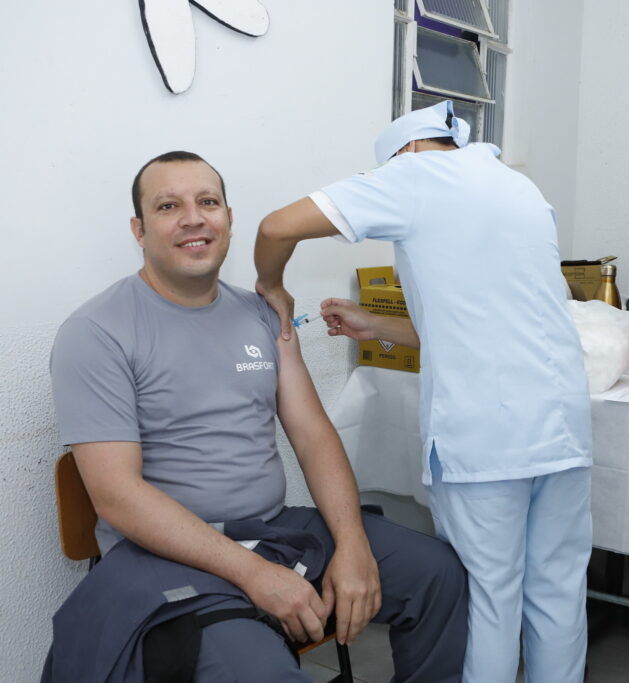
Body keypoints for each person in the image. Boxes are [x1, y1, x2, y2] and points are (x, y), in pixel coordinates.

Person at [46, 151, 468, 682]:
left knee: (441, 577)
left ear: (228, 217)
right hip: (164, 555)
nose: (194, 218)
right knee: (262, 671)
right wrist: (254, 573)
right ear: (139, 228)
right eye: (168, 206)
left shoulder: (263, 314)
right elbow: (117, 497)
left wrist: (354, 544)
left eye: (208, 202)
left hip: (270, 531)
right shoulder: (97, 331)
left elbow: (313, 434)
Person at [253, 101, 593, 683]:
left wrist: (270, 284)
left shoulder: (412, 175)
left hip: (488, 438)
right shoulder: (519, 189)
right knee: (558, 590)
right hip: (562, 426)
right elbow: (481, 323)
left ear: (405, 152)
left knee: (489, 598)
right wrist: (376, 326)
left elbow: (274, 227)